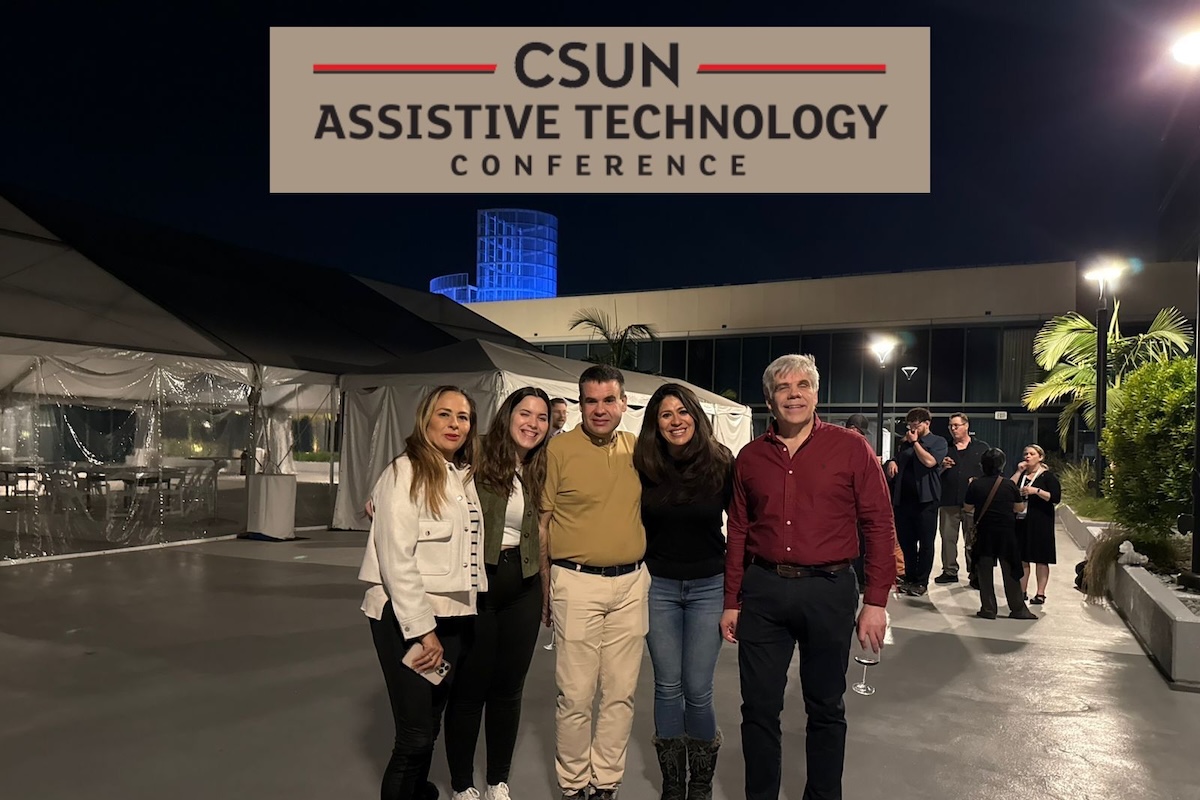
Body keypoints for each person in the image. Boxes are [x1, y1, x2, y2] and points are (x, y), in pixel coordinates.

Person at [722, 355, 895, 800]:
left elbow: (879, 523)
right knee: (758, 708)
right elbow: (738, 530)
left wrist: (876, 602)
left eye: (803, 385)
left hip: (829, 590)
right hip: (763, 591)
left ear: (816, 394)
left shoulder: (851, 448)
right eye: (783, 387)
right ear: (769, 399)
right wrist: (732, 600)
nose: (794, 394)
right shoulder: (750, 458)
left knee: (825, 706)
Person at [359, 385, 483, 800]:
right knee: (413, 734)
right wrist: (423, 632)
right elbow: (397, 561)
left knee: (429, 723)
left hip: (451, 617)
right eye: (444, 414)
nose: (454, 424)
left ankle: (418, 793)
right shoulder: (403, 473)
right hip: (406, 620)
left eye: (463, 417)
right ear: (425, 419)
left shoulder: (459, 475)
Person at [540, 365, 649, 800]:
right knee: (575, 695)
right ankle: (573, 784)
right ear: (579, 404)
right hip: (576, 582)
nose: (600, 409)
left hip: (631, 584)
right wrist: (545, 589)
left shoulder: (637, 449)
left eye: (608, 400)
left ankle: (606, 782)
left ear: (624, 403)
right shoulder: (558, 450)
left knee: (621, 693)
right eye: (591, 401)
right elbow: (543, 523)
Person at [444, 388, 553, 800]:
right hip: (480, 582)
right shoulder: (477, 450)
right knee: (470, 688)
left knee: (509, 689)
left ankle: (497, 781)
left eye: (541, 417)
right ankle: (462, 784)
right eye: (525, 413)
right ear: (508, 415)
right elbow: (427, 462)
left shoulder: (542, 465)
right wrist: (383, 495)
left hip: (524, 584)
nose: (532, 424)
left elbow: (542, 530)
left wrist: (545, 590)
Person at [634, 383, 734, 800]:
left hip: (709, 585)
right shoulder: (644, 465)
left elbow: (741, 527)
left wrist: (737, 595)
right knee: (667, 686)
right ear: (655, 423)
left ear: (696, 414)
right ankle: (674, 783)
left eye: (682, 411)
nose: (676, 421)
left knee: (697, 687)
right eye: (666, 414)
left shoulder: (721, 463)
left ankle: (701, 784)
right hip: (658, 586)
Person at [963, 448, 1037, 620]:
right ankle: (1018, 608)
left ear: (982, 465)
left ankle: (988, 608)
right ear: (1001, 465)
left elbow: (967, 507)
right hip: (1006, 534)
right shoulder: (1008, 485)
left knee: (984, 572)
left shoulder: (975, 484)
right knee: (1010, 571)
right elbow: (1019, 508)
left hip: (984, 534)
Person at [884, 408, 948, 596]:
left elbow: (930, 462)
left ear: (927, 424)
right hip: (903, 500)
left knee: (926, 542)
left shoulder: (938, 442)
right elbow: (899, 458)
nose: (912, 429)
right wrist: (892, 461)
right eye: (910, 425)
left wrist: (915, 443)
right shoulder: (904, 443)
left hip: (926, 500)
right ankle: (910, 577)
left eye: (916, 425)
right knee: (907, 542)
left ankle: (921, 581)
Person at [844, 414, 906, 589]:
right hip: (848, 507)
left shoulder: (862, 449)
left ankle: (864, 578)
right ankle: (859, 578)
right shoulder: (844, 449)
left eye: (859, 432)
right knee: (856, 543)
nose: (857, 435)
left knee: (866, 542)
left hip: (861, 506)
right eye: (855, 431)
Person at [935, 413, 989, 587]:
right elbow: (932, 472)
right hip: (948, 500)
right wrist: (941, 466)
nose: (953, 429)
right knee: (948, 538)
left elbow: (990, 472)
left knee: (972, 540)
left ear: (966, 426)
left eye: (956, 425)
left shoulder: (981, 448)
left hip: (972, 502)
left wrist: (978, 481)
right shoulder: (944, 448)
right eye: (951, 426)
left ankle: (975, 573)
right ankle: (949, 571)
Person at [1012, 444, 1061, 605]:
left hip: (1041, 521)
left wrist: (1036, 491)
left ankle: (1040, 593)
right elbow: (1009, 488)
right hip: (1021, 520)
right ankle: (1021, 591)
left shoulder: (1047, 477)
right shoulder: (1022, 475)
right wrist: (1018, 471)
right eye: (1025, 454)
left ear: (1040, 457)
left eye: (1032, 454)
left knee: (1041, 558)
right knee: (1022, 558)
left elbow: (1055, 498)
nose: (1027, 456)